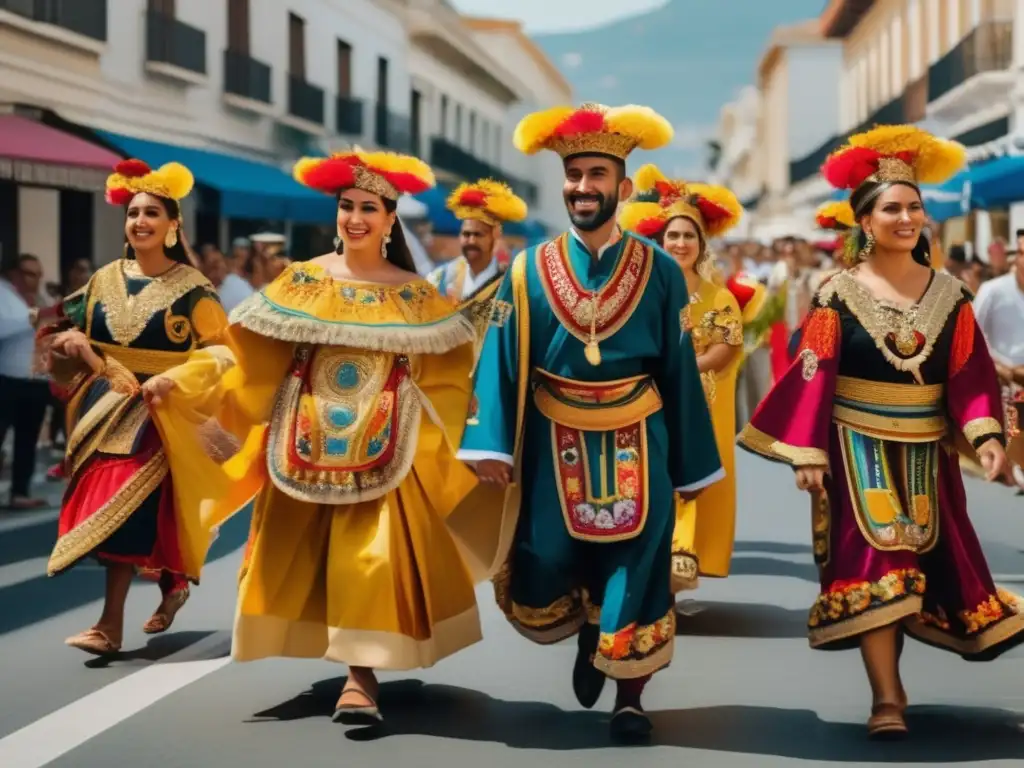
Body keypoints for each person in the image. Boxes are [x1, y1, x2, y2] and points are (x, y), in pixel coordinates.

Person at [159, 149, 502, 725]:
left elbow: (448, 372)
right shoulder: (303, 280)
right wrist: (217, 412)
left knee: (368, 560)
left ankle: (359, 676)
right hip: (305, 435)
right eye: (347, 206)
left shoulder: (416, 295)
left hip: (388, 443)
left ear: (391, 219)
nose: (356, 217)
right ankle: (340, 657)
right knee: (308, 556)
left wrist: (444, 429)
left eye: (369, 207)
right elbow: (252, 356)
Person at [738, 126, 1024, 738]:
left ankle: (900, 679)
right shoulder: (836, 294)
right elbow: (813, 374)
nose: (906, 217)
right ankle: (887, 697)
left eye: (914, 206)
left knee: (937, 567)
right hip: (853, 446)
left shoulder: (952, 295)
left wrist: (987, 436)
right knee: (876, 563)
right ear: (864, 222)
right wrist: (807, 452)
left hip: (929, 451)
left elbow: (970, 373)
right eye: (891, 208)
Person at [458, 102, 723, 741]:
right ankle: (588, 633)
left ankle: (631, 694)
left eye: (597, 174)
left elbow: (681, 366)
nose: (583, 186)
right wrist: (489, 440)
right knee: (550, 552)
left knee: (640, 558)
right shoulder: (525, 270)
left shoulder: (661, 270)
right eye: (574, 174)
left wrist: (691, 463)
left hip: (642, 432)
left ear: (623, 188)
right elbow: (498, 357)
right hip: (554, 436)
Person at [40, 159, 232, 655]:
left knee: (123, 501)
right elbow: (59, 327)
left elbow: (223, 351)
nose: (140, 222)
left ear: (173, 226)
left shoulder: (194, 288)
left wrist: (175, 377)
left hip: (165, 410)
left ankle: (109, 625)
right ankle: (173, 585)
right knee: (148, 511)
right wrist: (71, 343)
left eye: (151, 213)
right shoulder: (103, 279)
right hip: (103, 407)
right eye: (133, 213)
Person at [617, 165, 744, 592]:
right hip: (649, 400)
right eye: (673, 236)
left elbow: (726, 347)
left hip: (700, 401)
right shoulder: (644, 289)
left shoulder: (718, 295)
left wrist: (683, 373)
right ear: (660, 241)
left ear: (701, 244)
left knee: (688, 473)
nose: (680, 243)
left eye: (689, 236)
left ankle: (682, 552)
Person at [972, 250, 1024, 489]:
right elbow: (973, 334)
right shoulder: (993, 290)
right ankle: (1013, 466)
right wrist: (999, 366)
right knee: (1013, 428)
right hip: (1004, 376)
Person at [428, 179, 527, 302]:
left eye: (478, 235)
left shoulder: (511, 282)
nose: (471, 241)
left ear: (494, 236)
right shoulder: (443, 277)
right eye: (466, 234)